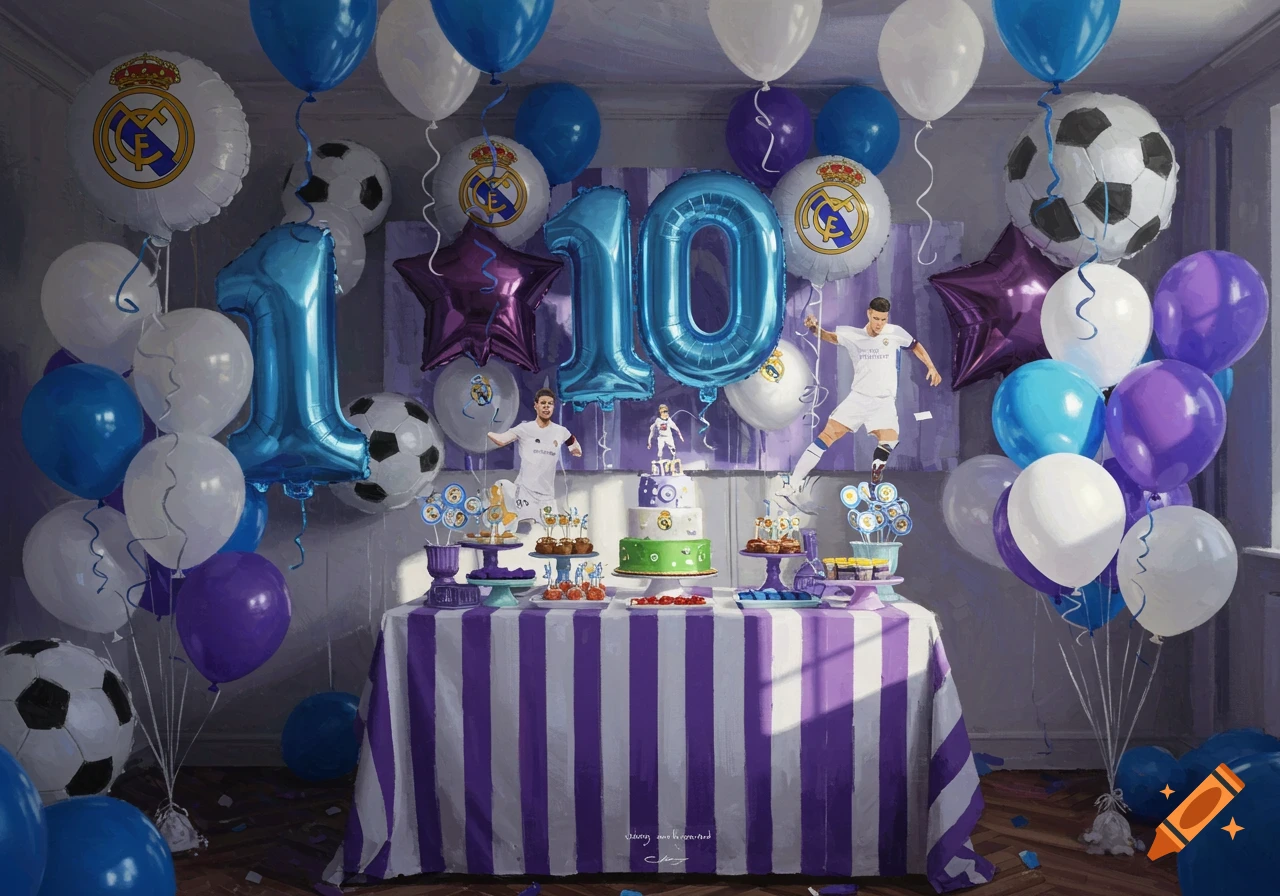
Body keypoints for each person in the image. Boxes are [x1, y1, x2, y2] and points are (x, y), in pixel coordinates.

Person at [783, 296, 941, 493]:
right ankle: (793, 483)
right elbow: (830, 336)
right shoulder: (853, 335)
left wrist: (931, 367)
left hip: (884, 402)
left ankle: (875, 480)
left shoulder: (895, 333)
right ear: (869, 313)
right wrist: (815, 329)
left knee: (890, 439)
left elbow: (915, 345)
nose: (880, 324)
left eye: (883, 319)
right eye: (876, 319)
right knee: (826, 437)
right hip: (859, 398)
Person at [488, 388, 582, 523]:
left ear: (553, 407)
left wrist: (575, 449)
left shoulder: (561, 431)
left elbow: (573, 444)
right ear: (536, 406)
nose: (546, 407)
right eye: (543, 403)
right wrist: (488, 432)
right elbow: (502, 439)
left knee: (550, 534)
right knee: (519, 530)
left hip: (547, 497)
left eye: (550, 404)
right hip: (525, 494)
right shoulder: (524, 428)